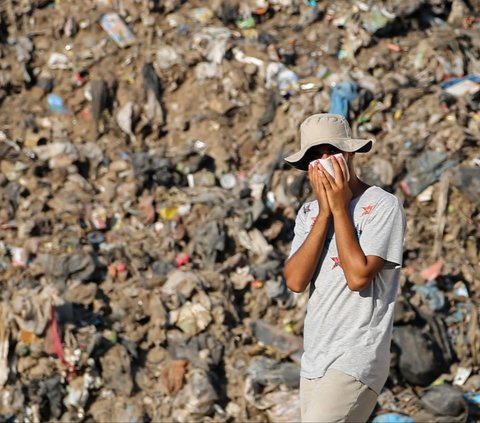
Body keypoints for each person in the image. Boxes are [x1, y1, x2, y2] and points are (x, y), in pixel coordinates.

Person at [283, 113, 406, 422]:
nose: (324, 160)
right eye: (314, 155)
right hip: (315, 358)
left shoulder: (382, 205)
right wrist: (325, 212)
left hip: (356, 355)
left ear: (349, 153)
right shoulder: (309, 213)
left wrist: (339, 207)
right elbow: (296, 280)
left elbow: (358, 276)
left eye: (330, 151)